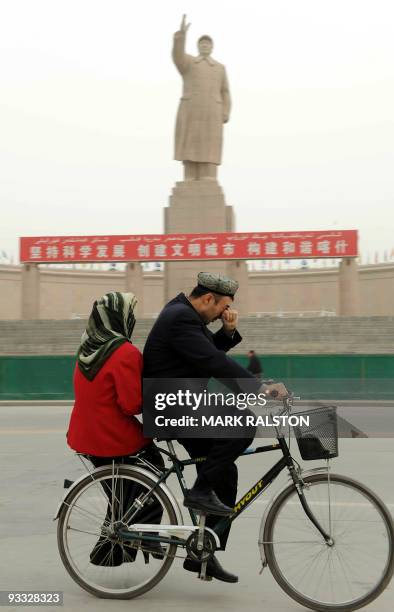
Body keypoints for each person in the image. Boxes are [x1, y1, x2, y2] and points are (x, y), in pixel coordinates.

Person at [143, 272, 287, 583]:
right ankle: (199, 492)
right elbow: (210, 360)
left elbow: (204, 353)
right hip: (173, 407)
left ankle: (203, 555)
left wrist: (228, 330)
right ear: (208, 299)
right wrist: (258, 388)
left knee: (225, 470)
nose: (224, 314)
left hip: (183, 403)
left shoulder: (185, 316)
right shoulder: (180, 317)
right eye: (223, 309)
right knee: (243, 421)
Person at [66, 291, 164, 566]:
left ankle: (110, 551)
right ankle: (142, 538)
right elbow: (131, 404)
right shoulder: (125, 352)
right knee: (154, 473)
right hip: (113, 437)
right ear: (121, 317)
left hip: (84, 437)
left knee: (122, 496)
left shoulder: (86, 349)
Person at [172, 14, 231, 181]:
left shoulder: (219, 68)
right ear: (198, 47)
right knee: (190, 142)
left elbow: (225, 91)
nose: (205, 46)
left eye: (208, 44)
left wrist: (225, 111)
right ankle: (189, 175)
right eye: (202, 44)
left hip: (212, 112)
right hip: (192, 110)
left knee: (209, 145)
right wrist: (180, 37)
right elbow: (177, 57)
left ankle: (208, 175)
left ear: (212, 48)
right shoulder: (189, 63)